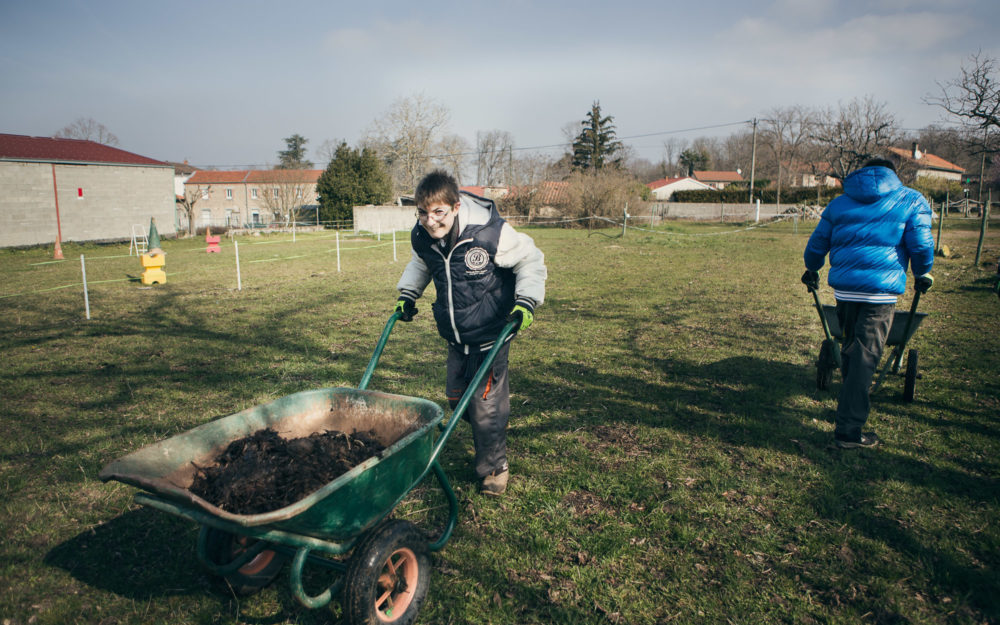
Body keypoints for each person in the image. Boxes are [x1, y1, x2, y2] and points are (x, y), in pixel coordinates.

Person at [394, 170, 547, 495]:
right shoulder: (423, 237)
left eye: (438, 212)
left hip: (493, 333)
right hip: (456, 336)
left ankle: (495, 467)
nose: (431, 221)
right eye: (423, 212)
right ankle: (488, 426)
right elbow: (423, 264)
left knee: (485, 407)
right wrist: (408, 294)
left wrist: (526, 302)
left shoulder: (489, 232)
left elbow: (530, 259)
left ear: (455, 206)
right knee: (457, 399)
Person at [802, 157, 935, 449]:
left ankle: (848, 407)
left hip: (845, 292)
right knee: (864, 358)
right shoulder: (911, 200)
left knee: (853, 351)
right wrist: (923, 271)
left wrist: (812, 267)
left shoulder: (840, 203)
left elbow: (816, 243)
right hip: (880, 293)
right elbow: (922, 244)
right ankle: (848, 432)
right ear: (892, 174)